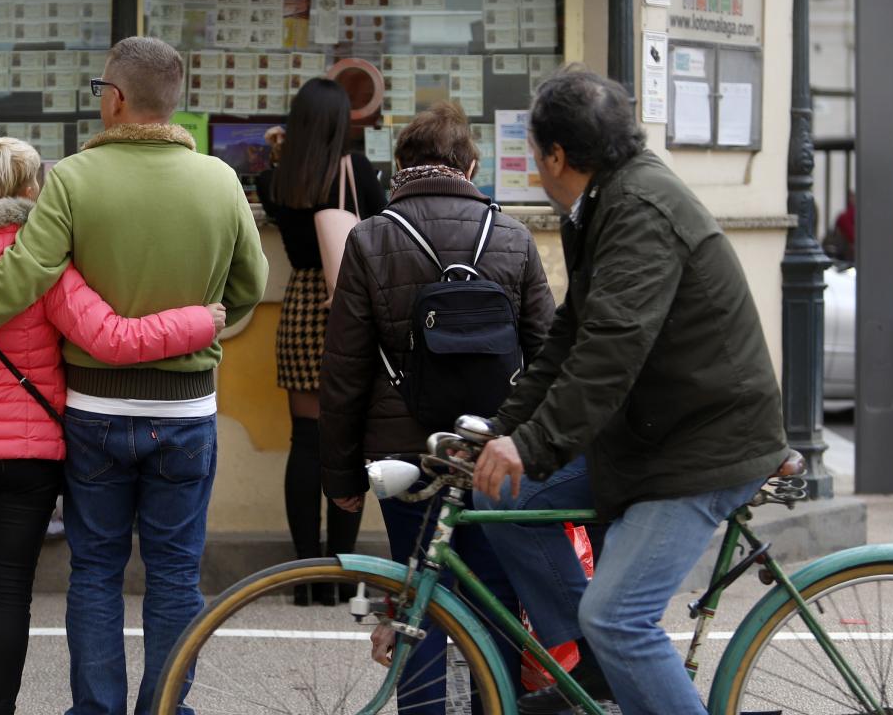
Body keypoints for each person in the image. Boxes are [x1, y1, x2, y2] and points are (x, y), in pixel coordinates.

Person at [0, 36, 268, 715]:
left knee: (97, 572)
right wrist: (201, 320)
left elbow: (26, 275)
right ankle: (166, 706)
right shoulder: (221, 181)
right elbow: (249, 287)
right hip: (186, 413)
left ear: (114, 100)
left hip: (96, 410)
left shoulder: (73, 178)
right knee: (173, 577)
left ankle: (96, 709)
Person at [471, 66, 789, 715]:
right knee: (505, 496)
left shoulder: (639, 211)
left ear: (558, 155)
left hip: (702, 446)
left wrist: (532, 442)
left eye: (535, 156)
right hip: (654, 434)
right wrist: (504, 433)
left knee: (621, 616)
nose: (535, 170)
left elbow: (609, 354)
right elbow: (569, 335)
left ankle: (611, 649)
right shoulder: (600, 204)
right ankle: (600, 665)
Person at [0, 136, 226, 715]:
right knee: (9, 592)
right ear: (29, 190)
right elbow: (109, 338)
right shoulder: (40, 262)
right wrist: (199, 321)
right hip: (28, 456)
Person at [319, 101, 556, 713]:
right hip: (493, 447)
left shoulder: (370, 238)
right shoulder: (512, 235)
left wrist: (341, 477)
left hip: (405, 450)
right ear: (471, 164)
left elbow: (344, 368)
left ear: (400, 166)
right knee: (497, 597)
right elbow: (549, 351)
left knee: (416, 592)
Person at [256, 79, 385, 605]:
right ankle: (341, 574)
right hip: (348, 306)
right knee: (347, 440)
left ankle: (303, 576)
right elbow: (381, 231)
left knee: (305, 442)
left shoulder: (275, 180)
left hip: (302, 303)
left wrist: (277, 148)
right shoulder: (358, 172)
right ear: (341, 123)